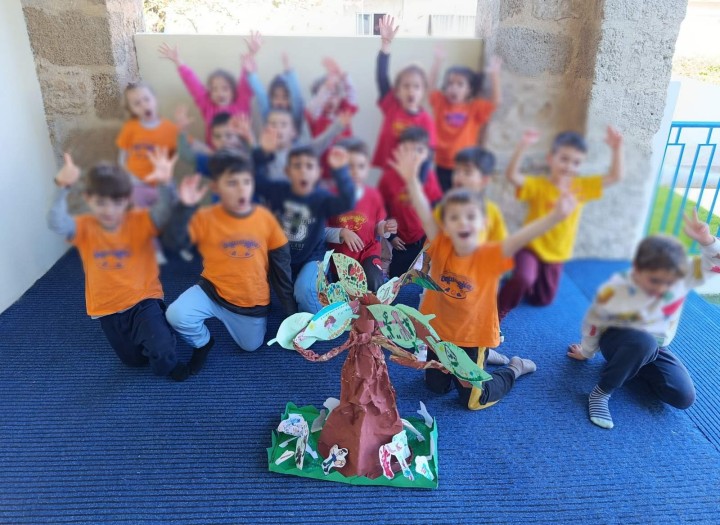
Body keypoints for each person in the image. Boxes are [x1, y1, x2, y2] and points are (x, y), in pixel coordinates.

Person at [392, 142, 578, 410]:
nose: (463, 223)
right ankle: (482, 359)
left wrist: (554, 217)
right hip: (438, 332)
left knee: (472, 400)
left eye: (471, 218)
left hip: (472, 335)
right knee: (435, 386)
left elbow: (521, 238)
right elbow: (425, 213)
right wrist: (411, 179)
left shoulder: (489, 253)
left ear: (484, 224)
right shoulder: (441, 241)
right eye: (455, 218)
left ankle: (513, 368)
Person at [47, 150, 189, 381]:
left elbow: (165, 212)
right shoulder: (85, 227)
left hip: (143, 299)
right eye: (101, 203)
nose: (109, 210)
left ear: (127, 199)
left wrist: (165, 183)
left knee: (161, 348)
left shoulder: (139, 221)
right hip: (107, 307)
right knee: (133, 361)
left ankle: (165, 348)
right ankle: (154, 335)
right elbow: (56, 222)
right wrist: (62, 187)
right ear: (88, 198)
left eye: (117, 202)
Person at [567, 217, 720, 429]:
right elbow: (594, 323)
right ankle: (601, 393)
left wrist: (707, 240)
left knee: (682, 397)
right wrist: (586, 352)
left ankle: (628, 366)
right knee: (643, 343)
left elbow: (715, 263)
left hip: (654, 347)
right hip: (618, 340)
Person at [164, 151, 297, 375]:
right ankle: (203, 343)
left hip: (249, 301)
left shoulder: (266, 220)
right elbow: (174, 243)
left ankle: (240, 322)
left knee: (250, 347)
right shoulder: (205, 217)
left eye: (246, 182)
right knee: (176, 314)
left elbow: (281, 269)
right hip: (211, 290)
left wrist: (291, 312)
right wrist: (183, 208)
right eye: (232, 183)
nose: (241, 189)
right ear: (216, 188)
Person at [497, 127, 624, 320]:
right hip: (530, 247)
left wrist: (617, 148)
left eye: (576, 162)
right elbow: (512, 176)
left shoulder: (582, 187)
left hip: (557, 253)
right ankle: (498, 310)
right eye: (564, 159)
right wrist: (522, 146)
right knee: (524, 278)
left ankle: (520, 276)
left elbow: (615, 177)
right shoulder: (539, 185)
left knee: (542, 300)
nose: (569, 166)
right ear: (551, 158)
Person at [253, 130, 355, 313]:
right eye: (297, 166)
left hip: (312, 257)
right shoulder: (278, 190)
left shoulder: (321, 198)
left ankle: (319, 318)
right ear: (287, 171)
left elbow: (346, 202)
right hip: (282, 257)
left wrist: (341, 171)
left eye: (309, 166)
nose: (303, 171)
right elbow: (255, 181)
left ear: (318, 173)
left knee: (305, 291)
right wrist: (262, 153)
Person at [116, 82, 179, 264]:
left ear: (154, 100)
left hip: (163, 183)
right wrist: (127, 179)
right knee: (142, 218)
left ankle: (175, 244)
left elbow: (186, 145)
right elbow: (122, 156)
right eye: (137, 103)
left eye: (146, 99)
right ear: (131, 109)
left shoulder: (169, 128)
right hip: (137, 183)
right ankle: (154, 249)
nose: (144, 105)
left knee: (172, 212)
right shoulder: (130, 128)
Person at [326, 138, 397, 292]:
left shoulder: (373, 196)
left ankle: (375, 303)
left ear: (368, 168)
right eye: (349, 166)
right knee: (346, 293)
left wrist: (385, 227)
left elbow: (378, 227)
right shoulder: (330, 196)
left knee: (374, 281)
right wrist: (342, 232)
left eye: (361, 166)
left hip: (368, 252)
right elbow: (321, 232)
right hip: (341, 258)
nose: (355, 172)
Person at [427, 47, 501, 192]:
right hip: (442, 164)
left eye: (460, 84)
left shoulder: (475, 108)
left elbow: (496, 102)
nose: (453, 88)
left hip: (465, 166)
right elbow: (429, 88)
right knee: (442, 199)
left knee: (463, 198)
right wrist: (437, 62)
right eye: (450, 84)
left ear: (469, 90)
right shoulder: (440, 102)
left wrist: (494, 76)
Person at [371, 14, 437, 171]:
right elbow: (381, 77)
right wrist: (385, 45)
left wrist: (417, 179)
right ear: (397, 90)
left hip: (412, 174)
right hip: (389, 171)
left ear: (423, 91)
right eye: (406, 86)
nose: (411, 90)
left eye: (416, 86)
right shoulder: (391, 106)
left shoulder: (426, 120)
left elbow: (430, 152)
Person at [158, 40, 253, 146]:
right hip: (214, 153)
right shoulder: (207, 107)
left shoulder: (241, 105)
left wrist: (250, 54)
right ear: (209, 93)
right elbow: (193, 85)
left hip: (240, 153)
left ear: (233, 91)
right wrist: (178, 61)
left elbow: (245, 83)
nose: (219, 93)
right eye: (214, 89)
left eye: (225, 88)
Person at [377, 126, 442, 278]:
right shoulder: (388, 179)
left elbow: (436, 210)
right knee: (396, 279)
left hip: (423, 241)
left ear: (427, 153)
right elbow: (380, 211)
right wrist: (391, 237)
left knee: (416, 280)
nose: (413, 155)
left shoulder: (429, 177)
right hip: (399, 242)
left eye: (419, 150)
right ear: (399, 151)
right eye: (407, 149)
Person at [260, 108, 351, 182]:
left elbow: (320, 143)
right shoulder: (262, 153)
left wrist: (337, 126)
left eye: (283, 124)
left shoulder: (300, 150)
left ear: (294, 132)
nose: (278, 128)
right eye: (273, 124)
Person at [305, 58, 359, 181]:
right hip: (321, 173)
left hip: (345, 170)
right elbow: (314, 106)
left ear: (340, 97)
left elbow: (352, 95)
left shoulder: (344, 113)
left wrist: (343, 76)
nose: (330, 99)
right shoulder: (316, 115)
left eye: (334, 94)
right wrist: (326, 88)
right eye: (327, 95)